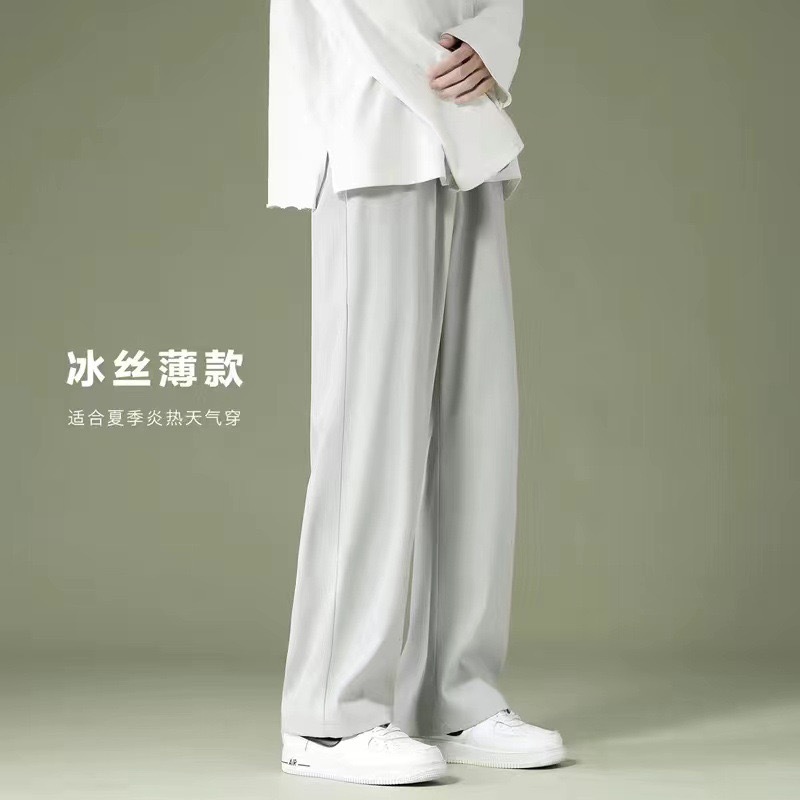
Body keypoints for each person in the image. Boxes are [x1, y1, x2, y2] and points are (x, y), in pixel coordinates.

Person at [267, 0, 566, 785]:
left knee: (478, 423)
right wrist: (458, 79)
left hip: (466, 132)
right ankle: (329, 717)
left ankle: (454, 695)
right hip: (371, 126)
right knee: (370, 428)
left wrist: (491, 41)